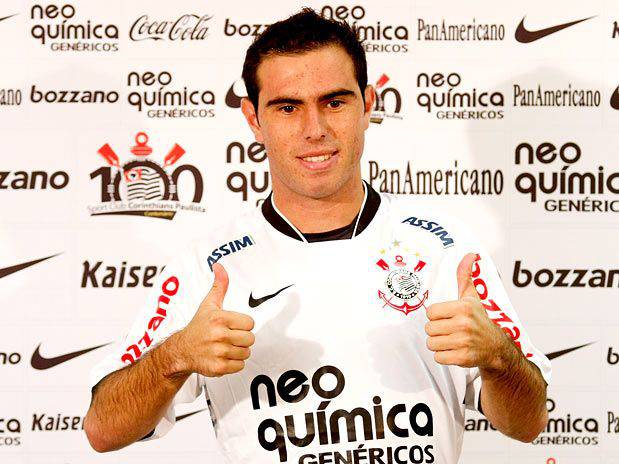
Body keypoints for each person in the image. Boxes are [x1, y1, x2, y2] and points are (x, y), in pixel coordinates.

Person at [84, 8, 550, 464]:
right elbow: (103, 430)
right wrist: (175, 357)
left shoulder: (445, 247)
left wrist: (499, 358)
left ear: (368, 105)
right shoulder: (208, 266)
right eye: (288, 108)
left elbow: (528, 423)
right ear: (253, 119)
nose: (315, 130)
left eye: (335, 102)